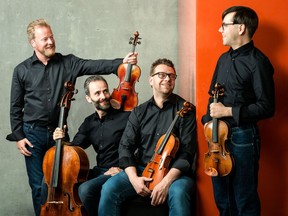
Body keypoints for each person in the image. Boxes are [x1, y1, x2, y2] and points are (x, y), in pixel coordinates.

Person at [6, 18, 137, 216]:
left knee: (65, 183)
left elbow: (94, 66)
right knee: (39, 186)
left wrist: (121, 63)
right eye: (44, 39)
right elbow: (16, 105)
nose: (50, 42)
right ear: (33, 43)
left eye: (51, 37)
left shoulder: (69, 63)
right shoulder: (22, 70)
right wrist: (18, 135)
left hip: (58, 132)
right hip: (32, 135)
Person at [98, 58, 197, 216]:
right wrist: (134, 178)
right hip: (141, 168)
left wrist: (165, 182)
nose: (167, 79)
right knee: (109, 188)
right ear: (151, 80)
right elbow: (126, 147)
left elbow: (187, 153)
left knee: (178, 193)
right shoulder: (139, 112)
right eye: (162, 75)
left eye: (171, 76)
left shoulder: (186, 110)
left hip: (174, 174)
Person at [201, 6, 275, 216]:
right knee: (223, 200)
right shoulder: (223, 60)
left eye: (224, 25)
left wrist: (227, 112)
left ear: (241, 28)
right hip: (216, 139)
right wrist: (208, 120)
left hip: (243, 137)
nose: (219, 30)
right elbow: (212, 98)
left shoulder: (258, 62)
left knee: (244, 199)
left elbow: (266, 107)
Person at [52, 75, 130, 215]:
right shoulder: (89, 122)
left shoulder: (126, 118)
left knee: (85, 189)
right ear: (88, 98)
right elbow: (74, 148)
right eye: (97, 93)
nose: (103, 96)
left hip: (119, 171)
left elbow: (139, 147)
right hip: (100, 170)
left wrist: (123, 168)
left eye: (105, 91)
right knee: (57, 182)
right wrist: (60, 139)